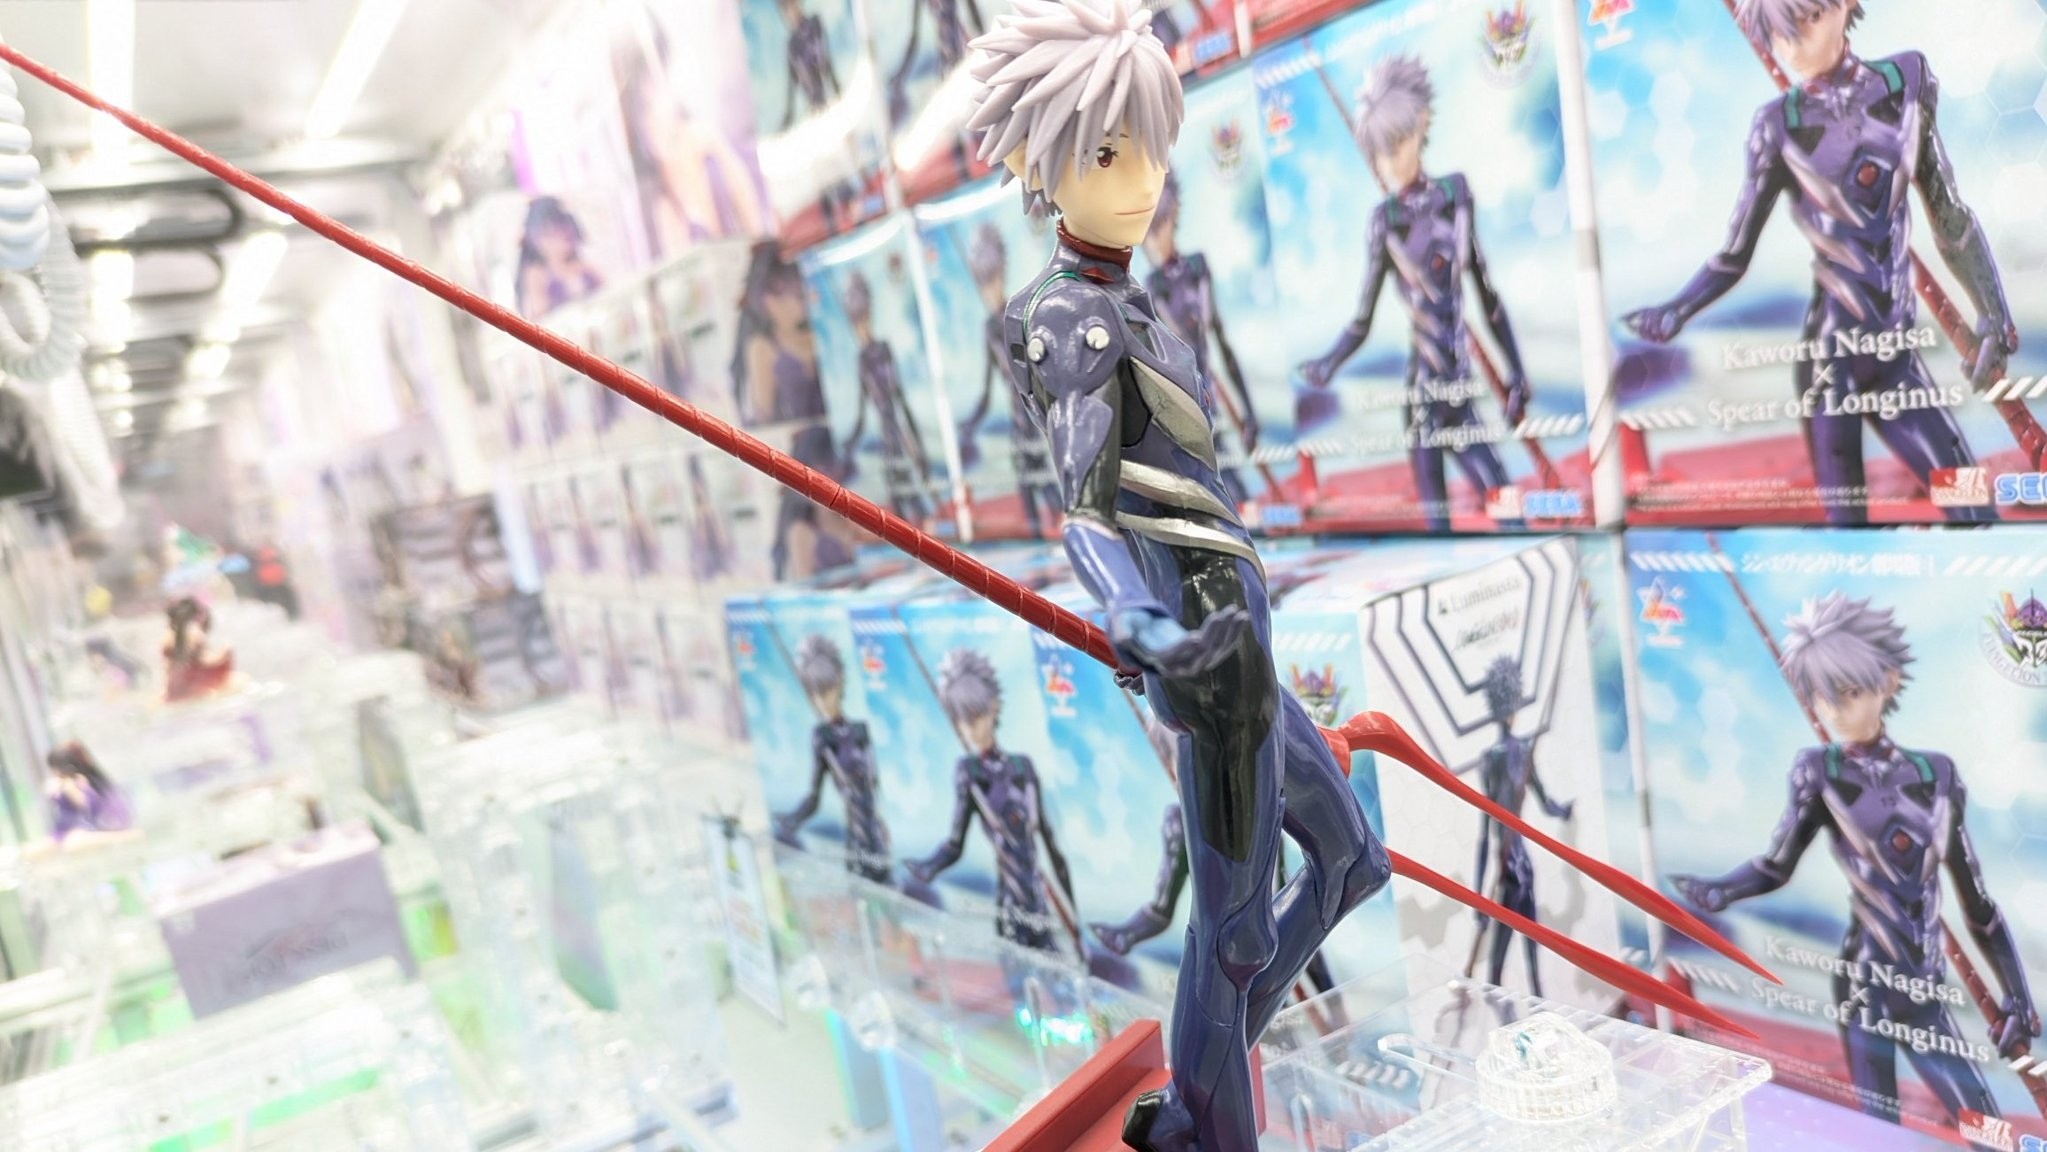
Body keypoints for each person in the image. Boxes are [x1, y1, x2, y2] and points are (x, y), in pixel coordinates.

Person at [967, 4, 1391, 1145]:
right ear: (1043, 166)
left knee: (1352, 861)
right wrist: (1137, 622)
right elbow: (1084, 509)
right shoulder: (1069, 320)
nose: (1142, 177)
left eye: (1149, 146)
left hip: (1236, 626)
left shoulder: (1135, 304)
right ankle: (1212, 1117)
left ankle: (1198, 1091)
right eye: (1109, 153)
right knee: (1236, 935)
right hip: (1198, 635)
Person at [1624, 0, 2009, 525]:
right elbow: (1733, 256)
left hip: (1896, 357)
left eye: (1805, 19)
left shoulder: (1906, 79)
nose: (1793, 46)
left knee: (1974, 509)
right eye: (1778, 34)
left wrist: (1995, 316)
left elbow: (1948, 214)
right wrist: (1676, 310)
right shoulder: (1778, 127)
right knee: (1846, 533)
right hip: (1831, 364)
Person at [1674, 593, 2038, 1129]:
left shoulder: (1936, 774)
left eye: (1846, 691)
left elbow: (1976, 903)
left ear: (1887, 681)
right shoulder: (1819, 771)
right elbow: (1776, 866)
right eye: (1820, 696)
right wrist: (1718, 890)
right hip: (1864, 986)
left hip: (1925, 989)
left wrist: (2018, 1000)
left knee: (1989, 1128)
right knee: (1878, 1127)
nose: (1833, 710)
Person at [1297, 55, 1528, 532]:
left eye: (1395, 145)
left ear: (1420, 124)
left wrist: (1517, 373)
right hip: (1422, 400)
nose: (1389, 163)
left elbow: (1486, 294)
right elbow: (1362, 321)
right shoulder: (1385, 221)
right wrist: (1327, 363)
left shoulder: (1455, 194)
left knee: (1513, 517)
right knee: (1436, 532)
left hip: (1460, 394)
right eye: (1379, 153)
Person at [904, 648, 1077, 953]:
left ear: (993, 707)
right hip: (1010, 910)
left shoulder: (1023, 767)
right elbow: (954, 845)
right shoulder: (969, 772)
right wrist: (926, 867)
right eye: (962, 720)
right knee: (1020, 975)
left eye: (976, 716)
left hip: (1041, 909)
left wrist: (1075, 919)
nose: (970, 728)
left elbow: (1052, 846)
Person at [1143, 173, 1258, 503]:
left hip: (1210, 391)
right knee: (1221, 482)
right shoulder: (1154, 287)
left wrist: (1249, 412)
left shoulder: (1197, 267)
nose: (1152, 244)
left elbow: (1218, 339)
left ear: (1173, 218)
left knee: (1232, 481)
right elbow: (1172, 346)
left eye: (1158, 228)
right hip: (1190, 400)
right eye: (1145, 236)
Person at [612, 20, 767, 254]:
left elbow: (754, 218)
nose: (650, 120)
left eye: (654, 80)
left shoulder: (703, 139)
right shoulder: (661, 205)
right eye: (641, 108)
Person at [1470, 657, 1571, 996]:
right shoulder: (1502, 756)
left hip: (1514, 865)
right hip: (1515, 866)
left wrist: (1565, 811)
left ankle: (1529, 1010)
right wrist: (1477, 899)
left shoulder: (1503, 755)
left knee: (1521, 956)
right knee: (1509, 960)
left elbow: (1487, 833)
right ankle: (1514, 1011)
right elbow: (1544, 805)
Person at [955, 223, 1060, 535]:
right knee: (1029, 499)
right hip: (1019, 427)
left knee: (1051, 492)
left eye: (992, 278)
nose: (990, 289)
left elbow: (1045, 367)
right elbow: (988, 391)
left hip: (1039, 419)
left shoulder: (1020, 314)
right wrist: (971, 423)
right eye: (983, 282)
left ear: (1002, 272)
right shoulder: (989, 329)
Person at [772, 635, 891, 883]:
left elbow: (877, 786)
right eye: (814, 693)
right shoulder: (822, 737)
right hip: (857, 843)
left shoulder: (862, 731)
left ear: (839, 682)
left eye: (825, 690)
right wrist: (789, 820)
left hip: (880, 839)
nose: (821, 701)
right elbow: (813, 798)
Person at [839, 270, 936, 524]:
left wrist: (915, 441)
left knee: (916, 492)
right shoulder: (861, 360)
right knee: (898, 502)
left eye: (862, 317)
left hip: (900, 432)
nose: (860, 326)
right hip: (888, 440)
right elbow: (862, 410)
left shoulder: (883, 350)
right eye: (855, 320)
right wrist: (850, 442)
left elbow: (900, 399)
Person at [730, 244, 827, 426]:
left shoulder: (818, 333)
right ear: (766, 302)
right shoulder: (762, 348)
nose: (801, 304)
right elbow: (764, 414)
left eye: (799, 295)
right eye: (796, 295)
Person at [514, 197, 603, 319]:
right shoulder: (536, 276)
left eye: (567, 230)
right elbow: (539, 316)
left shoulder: (584, 267)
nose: (563, 235)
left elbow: (607, 291)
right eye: (552, 232)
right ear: (537, 239)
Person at [44, 742, 132, 844]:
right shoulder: (64, 783)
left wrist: (68, 789)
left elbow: (86, 806)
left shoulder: (76, 782)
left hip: (82, 829)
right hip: (73, 829)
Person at [163, 596, 234, 703]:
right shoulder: (193, 634)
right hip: (195, 692)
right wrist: (226, 653)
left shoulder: (168, 636)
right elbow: (204, 662)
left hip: (174, 692)